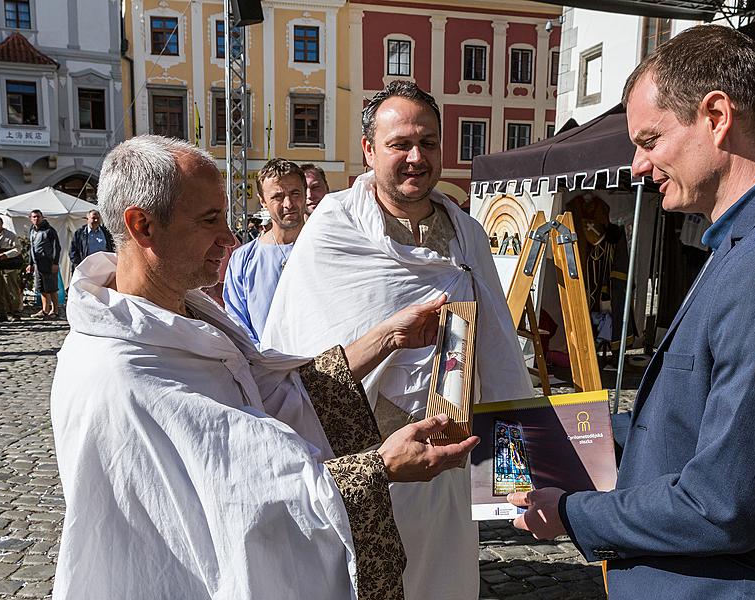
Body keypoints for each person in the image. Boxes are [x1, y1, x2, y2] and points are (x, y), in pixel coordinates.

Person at [509, 25, 755, 599]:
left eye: (650, 139)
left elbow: (725, 501)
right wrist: (539, 438)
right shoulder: (745, 240)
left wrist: (575, 516)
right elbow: (680, 421)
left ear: (716, 116)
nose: (636, 166)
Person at [51, 134, 479, 600]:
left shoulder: (185, 312)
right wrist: (382, 468)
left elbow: (271, 393)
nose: (229, 238)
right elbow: (247, 494)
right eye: (210, 220)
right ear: (143, 226)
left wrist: (385, 338)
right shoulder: (122, 375)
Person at [261, 81, 533, 599]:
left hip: (449, 460)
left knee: (442, 581)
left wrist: (515, 466)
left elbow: (499, 350)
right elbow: (296, 360)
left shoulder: (467, 233)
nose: (416, 157)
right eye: (400, 144)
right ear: (368, 150)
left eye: (428, 143)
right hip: (367, 466)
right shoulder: (333, 229)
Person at [223, 159, 305, 345]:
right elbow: (238, 323)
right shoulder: (243, 259)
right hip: (264, 367)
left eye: (295, 193)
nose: (288, 203)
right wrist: (265, 363)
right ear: (263, 202)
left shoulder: (324, 247)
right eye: (277, 196)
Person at [26, 209, 61, 319]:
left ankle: (55, 310)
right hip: (37, 264)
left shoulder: (49, 231)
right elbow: (31, 248)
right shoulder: (32, 230)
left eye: (38, 216)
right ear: (30, 219)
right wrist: (30, 263)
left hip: (48, 263)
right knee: (42, 289)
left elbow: (57, 247)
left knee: (52, 288)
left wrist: (55, 263)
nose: (36, 219)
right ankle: (45, 309)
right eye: (34, 217)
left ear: (42, 217)